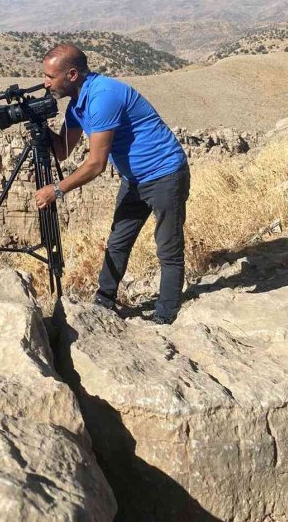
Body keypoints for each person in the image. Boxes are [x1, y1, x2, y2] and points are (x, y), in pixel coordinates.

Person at [35, 43, 190, 324]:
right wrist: (40, 127)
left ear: (71, 75)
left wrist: (56, 190)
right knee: (118, 241)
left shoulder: (102, 98)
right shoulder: (77, 105)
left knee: (168, 247)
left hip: (165, 174)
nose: (45, 83)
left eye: (50, 76)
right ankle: (104, 302)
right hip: (135, 179)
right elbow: (62, 151)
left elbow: (96, 165)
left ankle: (166, 317)